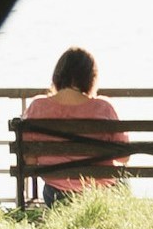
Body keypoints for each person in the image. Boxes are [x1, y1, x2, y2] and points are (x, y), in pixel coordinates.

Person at [21, 46, 129, 207]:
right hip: (101, 191)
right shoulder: (103, 108)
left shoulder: (37, 106)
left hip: (57, 193)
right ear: (90, 78)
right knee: (124, 182)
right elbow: (124, 157)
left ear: (58, 75)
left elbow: (30, 160)